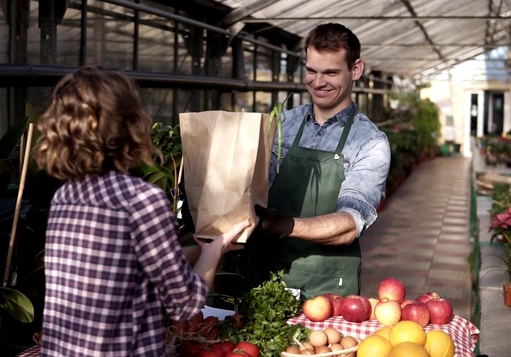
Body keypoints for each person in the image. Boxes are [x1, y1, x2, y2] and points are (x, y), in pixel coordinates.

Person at [34, 65, 249, 356]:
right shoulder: (141, 200)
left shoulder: (66, 196)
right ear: (131, 125)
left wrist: (202, 250)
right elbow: (185, 304)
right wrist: (216, 250)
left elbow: (130, 268)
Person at [244, 23, 391, 299]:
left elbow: (350, 223)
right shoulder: (282, 124)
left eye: (331, 72)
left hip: (326, 289)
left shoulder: (370, 142)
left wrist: (286, 226)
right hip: (264, 277)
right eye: (311, 71)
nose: (318, 82)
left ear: (356, 70)